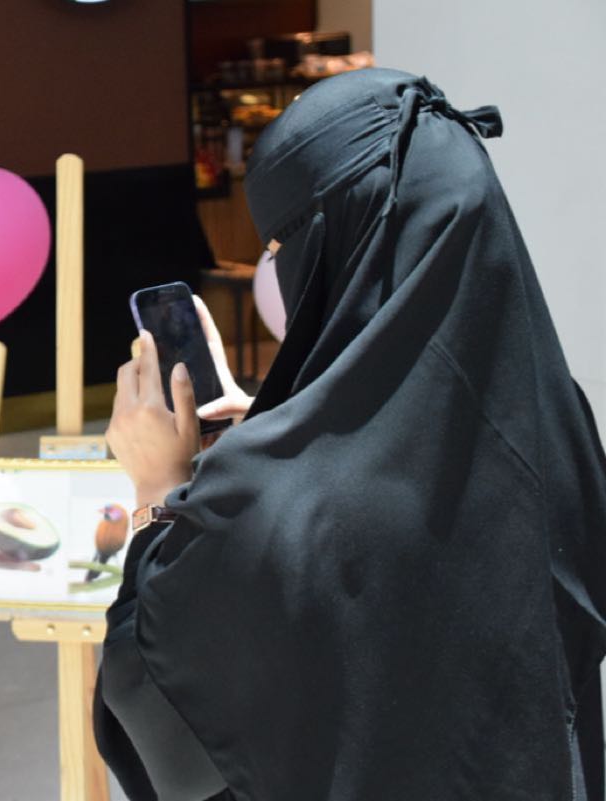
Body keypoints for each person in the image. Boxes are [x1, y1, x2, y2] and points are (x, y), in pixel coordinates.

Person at [94, 67, 606, 801]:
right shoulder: (559, 414)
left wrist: (157, 492)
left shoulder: (276, 504)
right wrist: (278, 426)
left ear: (334, 244)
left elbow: (157, 706)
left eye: (278, 245)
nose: (272, 267)